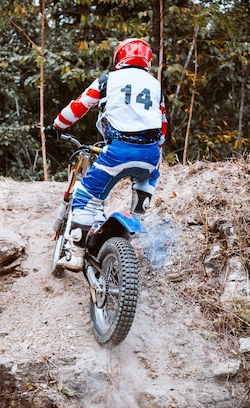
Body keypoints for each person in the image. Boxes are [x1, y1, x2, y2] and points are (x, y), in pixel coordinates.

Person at [44, 38, 168, 271]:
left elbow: (78, 107)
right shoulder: (156, 85)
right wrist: (156, 150)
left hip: (117, 152)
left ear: (119, 57)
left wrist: (57, 126)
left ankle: (76, 253)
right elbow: (162, 125)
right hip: (150, 155)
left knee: (85, 197)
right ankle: (138, 215)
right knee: (148, 176)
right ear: (148, 61)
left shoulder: (107, 81)